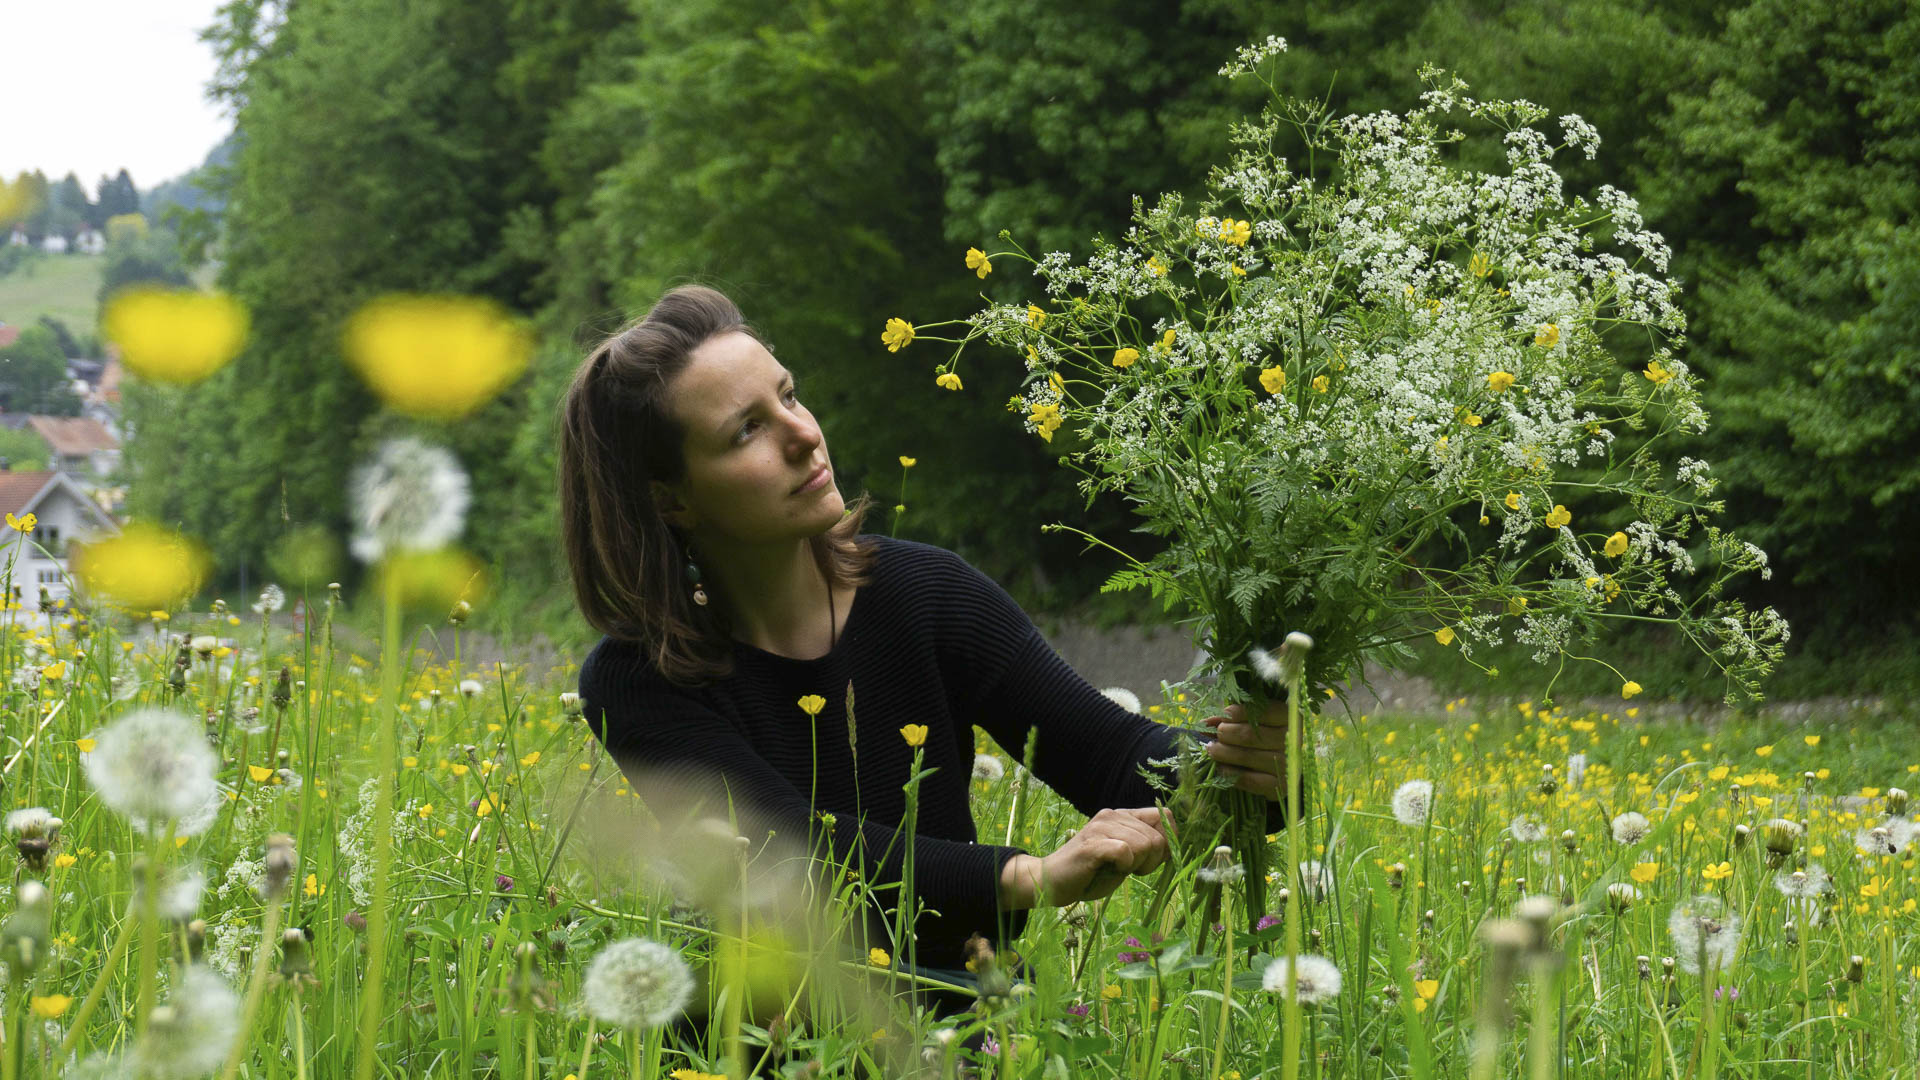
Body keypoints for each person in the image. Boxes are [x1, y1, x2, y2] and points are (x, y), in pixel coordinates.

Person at [557, 284, 1291, 984]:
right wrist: (1028, 875)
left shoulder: (924, 594)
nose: (804, 435)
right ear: (671, 499)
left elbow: (1113, 753)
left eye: (788, 396)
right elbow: (786, 847)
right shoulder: (638, 682)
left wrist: (1239, 771)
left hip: (966, 1017)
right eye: (747, 429)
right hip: (767, 1036)